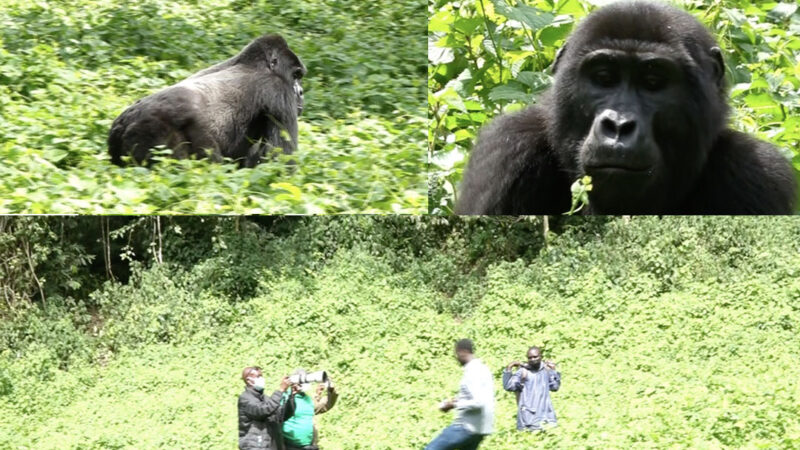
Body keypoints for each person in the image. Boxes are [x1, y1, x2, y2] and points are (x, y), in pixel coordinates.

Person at [426, 339, 495, 450]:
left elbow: (478, 402)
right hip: (481, 429)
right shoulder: (483, 368)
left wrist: (453, 405)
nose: (456, 357)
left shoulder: (472, 371)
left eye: (456, 354)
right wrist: (457, 400)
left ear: (462, 352)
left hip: (466, 427)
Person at [502, 346, 561, 431]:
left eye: (535, 357)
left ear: (541, 357)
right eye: (530, 358)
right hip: (528, 419)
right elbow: (509, 386)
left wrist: (553, 371)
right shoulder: (523, 372)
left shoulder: (546, 370)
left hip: (547, 418)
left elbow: (555, 387)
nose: (533, 359)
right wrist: (509, 368)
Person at [281, 369, 338, 450]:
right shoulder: (284, 397)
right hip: (289, 445)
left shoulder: (307, 399)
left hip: (309, 446)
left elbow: (325, 405)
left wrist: (331, 390)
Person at [238, 366, 292, 450]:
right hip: (254, 446)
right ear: (249, 380)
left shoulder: (265, 398)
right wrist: (281, 390)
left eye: (262, 376)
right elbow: (263, 410)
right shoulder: (245, 398)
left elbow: (280, 416)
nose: (262, 379)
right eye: (258, 376)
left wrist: (292, 396)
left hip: (269, 445)